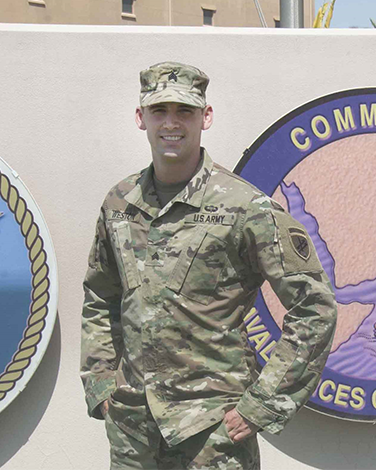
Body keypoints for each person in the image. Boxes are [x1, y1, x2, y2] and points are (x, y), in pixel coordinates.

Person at [81, 61, 337, 469]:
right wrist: (99, 383)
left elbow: (315, 307)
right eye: (159, 111)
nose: (172, 123)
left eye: (185, 112)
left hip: (211, 430)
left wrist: (262, 405)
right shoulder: (120, 203)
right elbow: (101, 293)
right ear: (140, 118)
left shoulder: (244, 206)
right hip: (133, 431)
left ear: (206, 117)